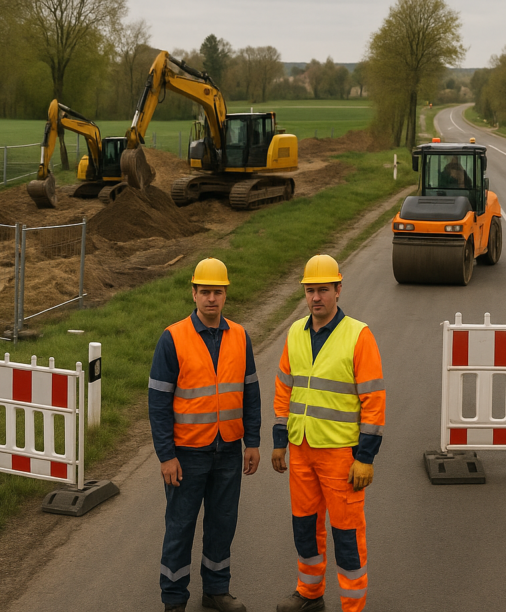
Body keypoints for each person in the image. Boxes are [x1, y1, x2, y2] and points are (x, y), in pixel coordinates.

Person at [272, 255, 386, 612]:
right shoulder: (294, 333)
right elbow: (283, 391)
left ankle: (353, 607)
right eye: (310, 291)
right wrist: (279, 442)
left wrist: (365, 458)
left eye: (323, 290)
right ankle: (309, 594)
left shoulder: (358, 335)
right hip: (302, 449)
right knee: (305, 527)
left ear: (338, 289)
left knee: (347, 535)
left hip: (341, 455)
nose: (316, 297)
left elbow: (374, 400)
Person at [149, 258, 261, 612]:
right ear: (193, 293)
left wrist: (253, 442)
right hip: (186, 454)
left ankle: (215, 590)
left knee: (222, 524)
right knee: (180, 527)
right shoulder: (173, 338)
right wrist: (166, 455)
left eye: (218, 292)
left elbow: (251, 393)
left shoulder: (240, 336)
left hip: (228, 450)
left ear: (225, 294)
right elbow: (158, 402)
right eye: (205, 292)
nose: (212, 298)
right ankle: (174, 600)